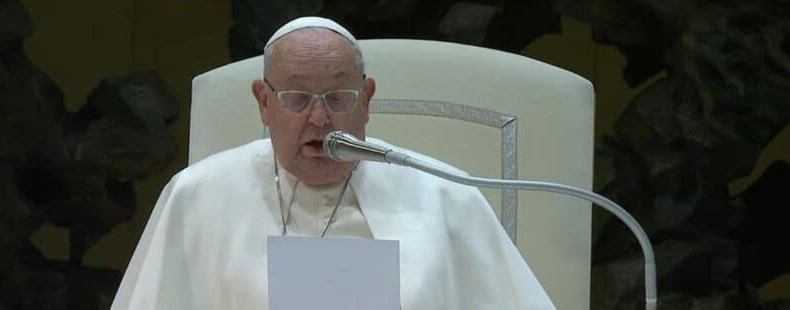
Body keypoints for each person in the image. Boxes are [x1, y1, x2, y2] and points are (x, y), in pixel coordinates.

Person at [112, 16, 554, 309]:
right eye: (297, 98)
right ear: (264, 102)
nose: (320, 118)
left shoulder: (444, 194)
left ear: (367, 100)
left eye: (339, 98)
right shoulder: (196, 196)